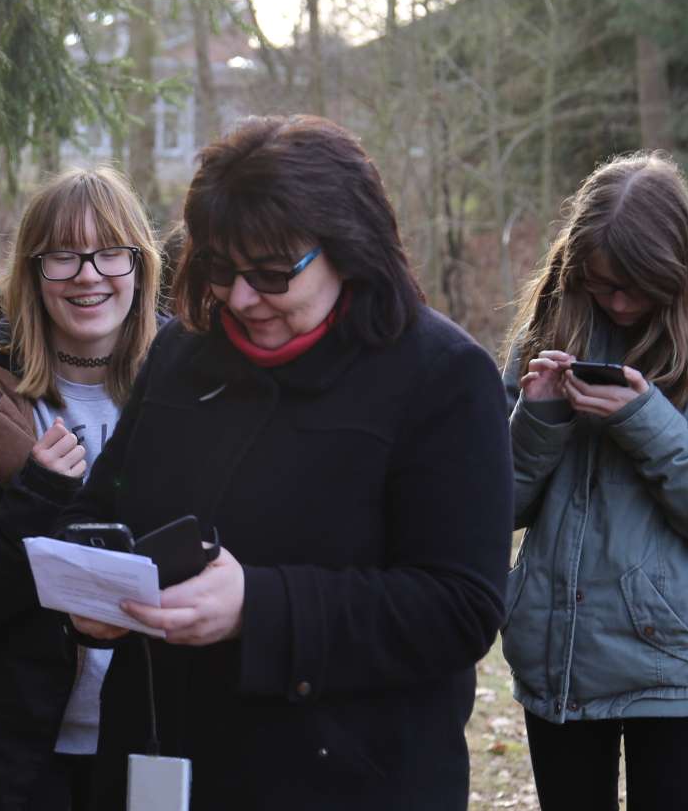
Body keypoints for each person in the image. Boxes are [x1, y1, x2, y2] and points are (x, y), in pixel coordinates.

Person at [63, 115, 514, 809]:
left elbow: (459, 608)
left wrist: (260, 607)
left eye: (272, 273)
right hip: (165, 758)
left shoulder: (443, 379)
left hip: (348, 777)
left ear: (349, 250)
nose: (241, 298)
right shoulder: (183, 356)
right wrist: (91, 595)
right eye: (220, 269)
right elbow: (106, 505)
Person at [500, 151, 688, 811]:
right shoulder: (551, 323)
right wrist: (540, 417)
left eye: (636, 286)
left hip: (680, 668)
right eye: (602, 284)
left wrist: (646, 422)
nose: (617, 302)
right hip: (561, 657)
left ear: (676, 273)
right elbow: (497, 507)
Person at [0, 167, 162, 810]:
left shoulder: (187, 391)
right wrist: (33, 497)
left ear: (140, 265)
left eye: (110, 253)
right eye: (63, 256)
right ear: (32, 271)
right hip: (15, 751)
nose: (88, 274)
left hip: (153, 738)